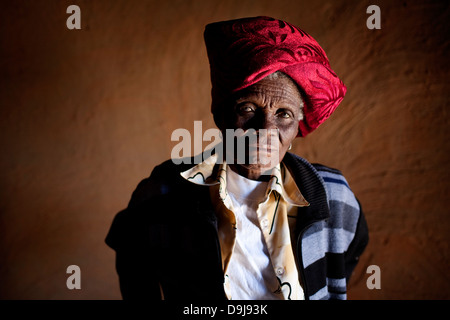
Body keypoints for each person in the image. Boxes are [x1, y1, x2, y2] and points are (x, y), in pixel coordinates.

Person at [105, 16, 368, 300]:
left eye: (284, 114)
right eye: (248, 109)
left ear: (297, 128)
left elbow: (346, 255)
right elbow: (130, 249)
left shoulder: (331, 194)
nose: (265, 131)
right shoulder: (166, 191)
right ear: (222, 116)